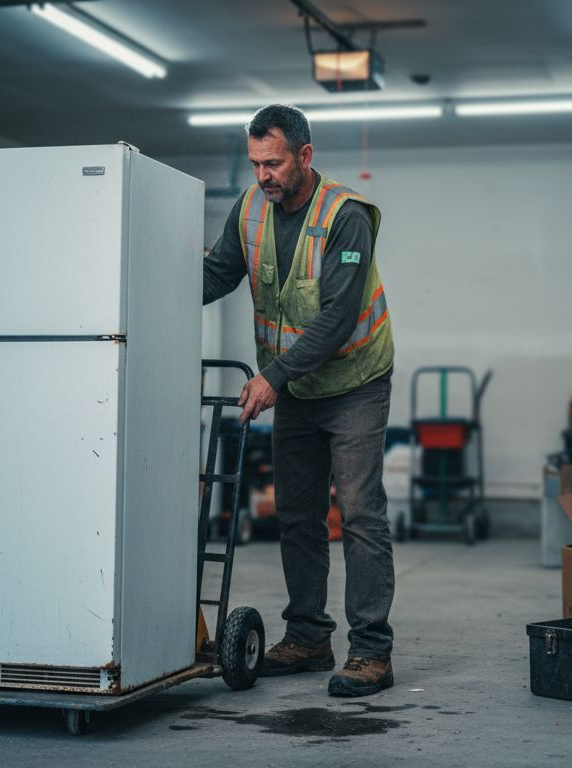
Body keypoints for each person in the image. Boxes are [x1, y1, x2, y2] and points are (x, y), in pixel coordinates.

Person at [203, 104, 397, 697]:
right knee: (297, 514)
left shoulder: (346, 216)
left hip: (355, 383)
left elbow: (338, 316)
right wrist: (134, 300)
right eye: (256, 162)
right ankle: (310, 637)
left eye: (275, 162)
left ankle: (371, 652)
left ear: (305, 156)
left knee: (360, 513)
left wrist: (273, 377)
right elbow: (216, 274)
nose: (263, 174)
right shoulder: (250, 210)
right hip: (297, 388)